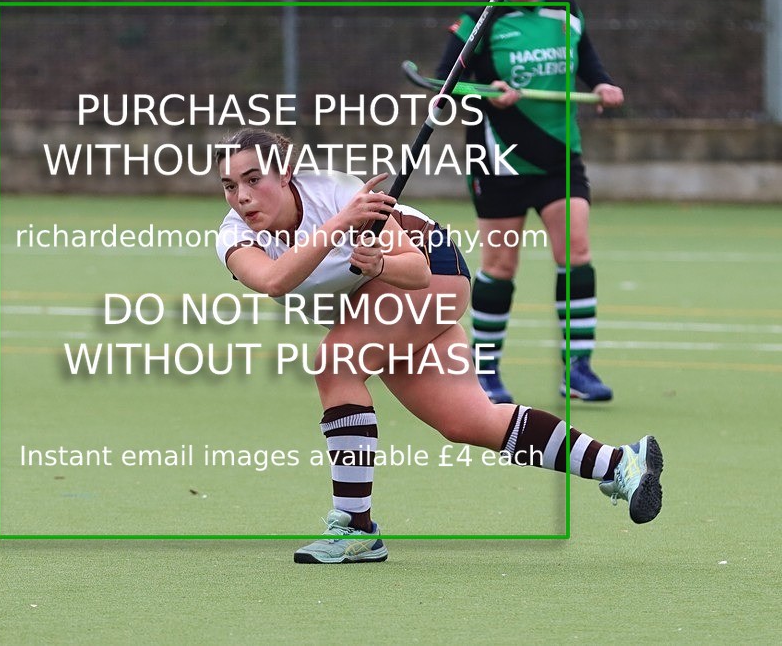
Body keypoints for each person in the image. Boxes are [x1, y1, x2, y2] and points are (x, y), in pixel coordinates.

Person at [214, 128, 662, 564]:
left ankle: (354, 526)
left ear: (286, 174)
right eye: (231, 186)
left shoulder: (337, 192)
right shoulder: (235, 236)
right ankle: (621, 463)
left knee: (336, 362)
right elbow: (274, 281)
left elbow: (416, 272)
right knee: (469, 421)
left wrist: (380, 260)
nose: (243, 196)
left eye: (254, 179)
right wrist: (341, 227)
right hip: (371, 307)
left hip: (431, 268)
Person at [434, 0, 624, 404]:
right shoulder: (480, 17)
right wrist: (488, 91)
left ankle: (577, 369)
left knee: (576, 250)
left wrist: (601, 84)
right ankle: (485, 372)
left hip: (560, 154)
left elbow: (587, 59)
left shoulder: (567, 8)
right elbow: (445, 83)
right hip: (499, 157)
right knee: (500, 263)